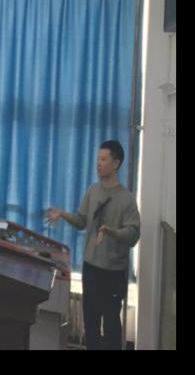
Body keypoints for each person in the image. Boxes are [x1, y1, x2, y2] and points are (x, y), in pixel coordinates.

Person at [46, 140, 141, 350]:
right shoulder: (92, 190)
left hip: (113, 272)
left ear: (116, 163)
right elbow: (82, 221)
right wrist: (62, 214)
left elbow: (134, 235)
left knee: (111, 325)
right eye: (98, 159)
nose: (98, 163)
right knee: (90, 323)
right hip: (91, 268)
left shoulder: (126, 199)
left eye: (104, 159)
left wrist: (112, 232)